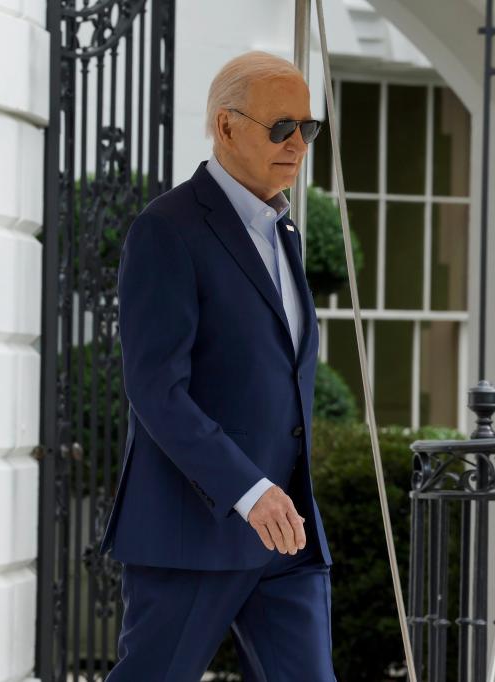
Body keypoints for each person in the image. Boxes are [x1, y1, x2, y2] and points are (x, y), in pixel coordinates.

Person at [100, 52, 336, 681]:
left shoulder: (284, 232)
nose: (297, 144)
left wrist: (279, 496)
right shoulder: (167, 230)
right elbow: (156, 389)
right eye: (281, 127)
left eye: (307, 129)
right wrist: (249, 491)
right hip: (194, 531)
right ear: (227, 127)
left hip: (289, 535)